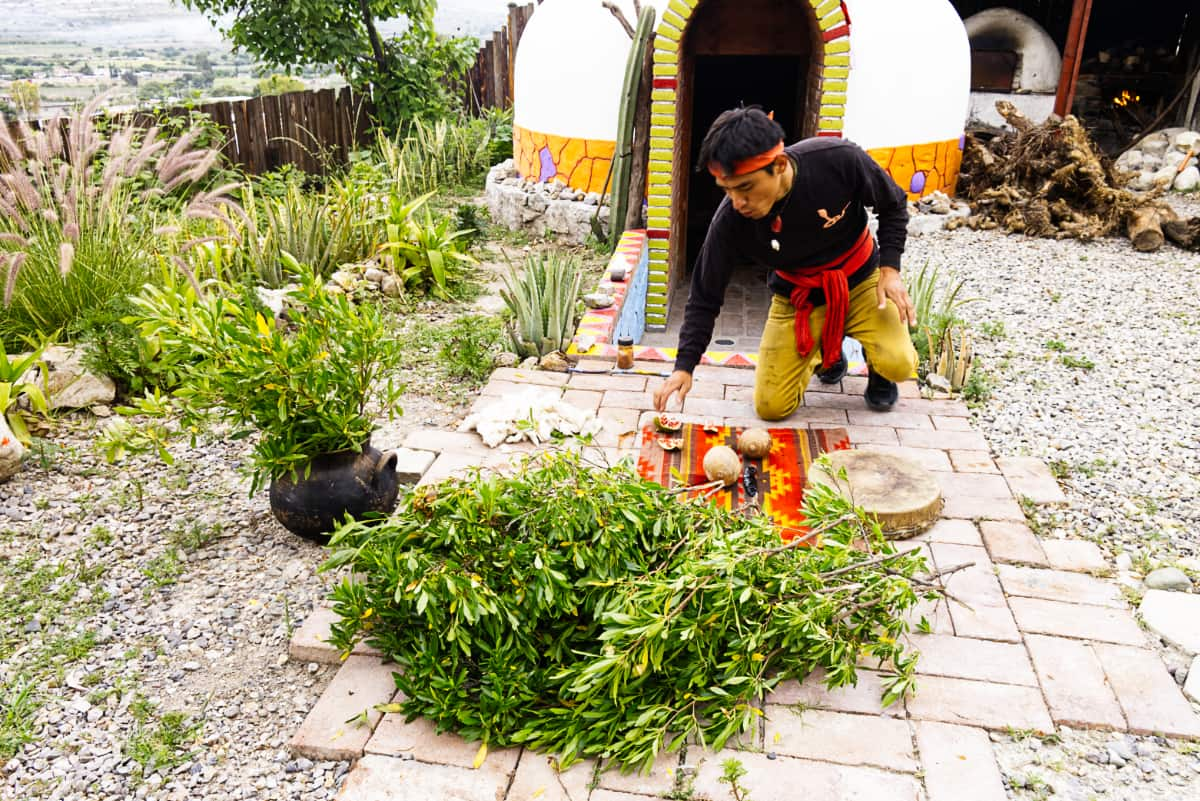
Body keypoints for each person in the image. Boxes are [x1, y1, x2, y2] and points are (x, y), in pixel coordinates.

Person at [651, 107, 918, 419]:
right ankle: (825, 354)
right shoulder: (731, 220)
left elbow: (894, 203)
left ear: (778, 165)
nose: (737, 202)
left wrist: (890, 270)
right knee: (771, 408)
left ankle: (878, 369)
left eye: (745, 187)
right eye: (727, 190)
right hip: (799, 295)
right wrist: (684, 367)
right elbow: (705, 295)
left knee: (900, 362)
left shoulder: (838, 159)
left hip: (860, 278)